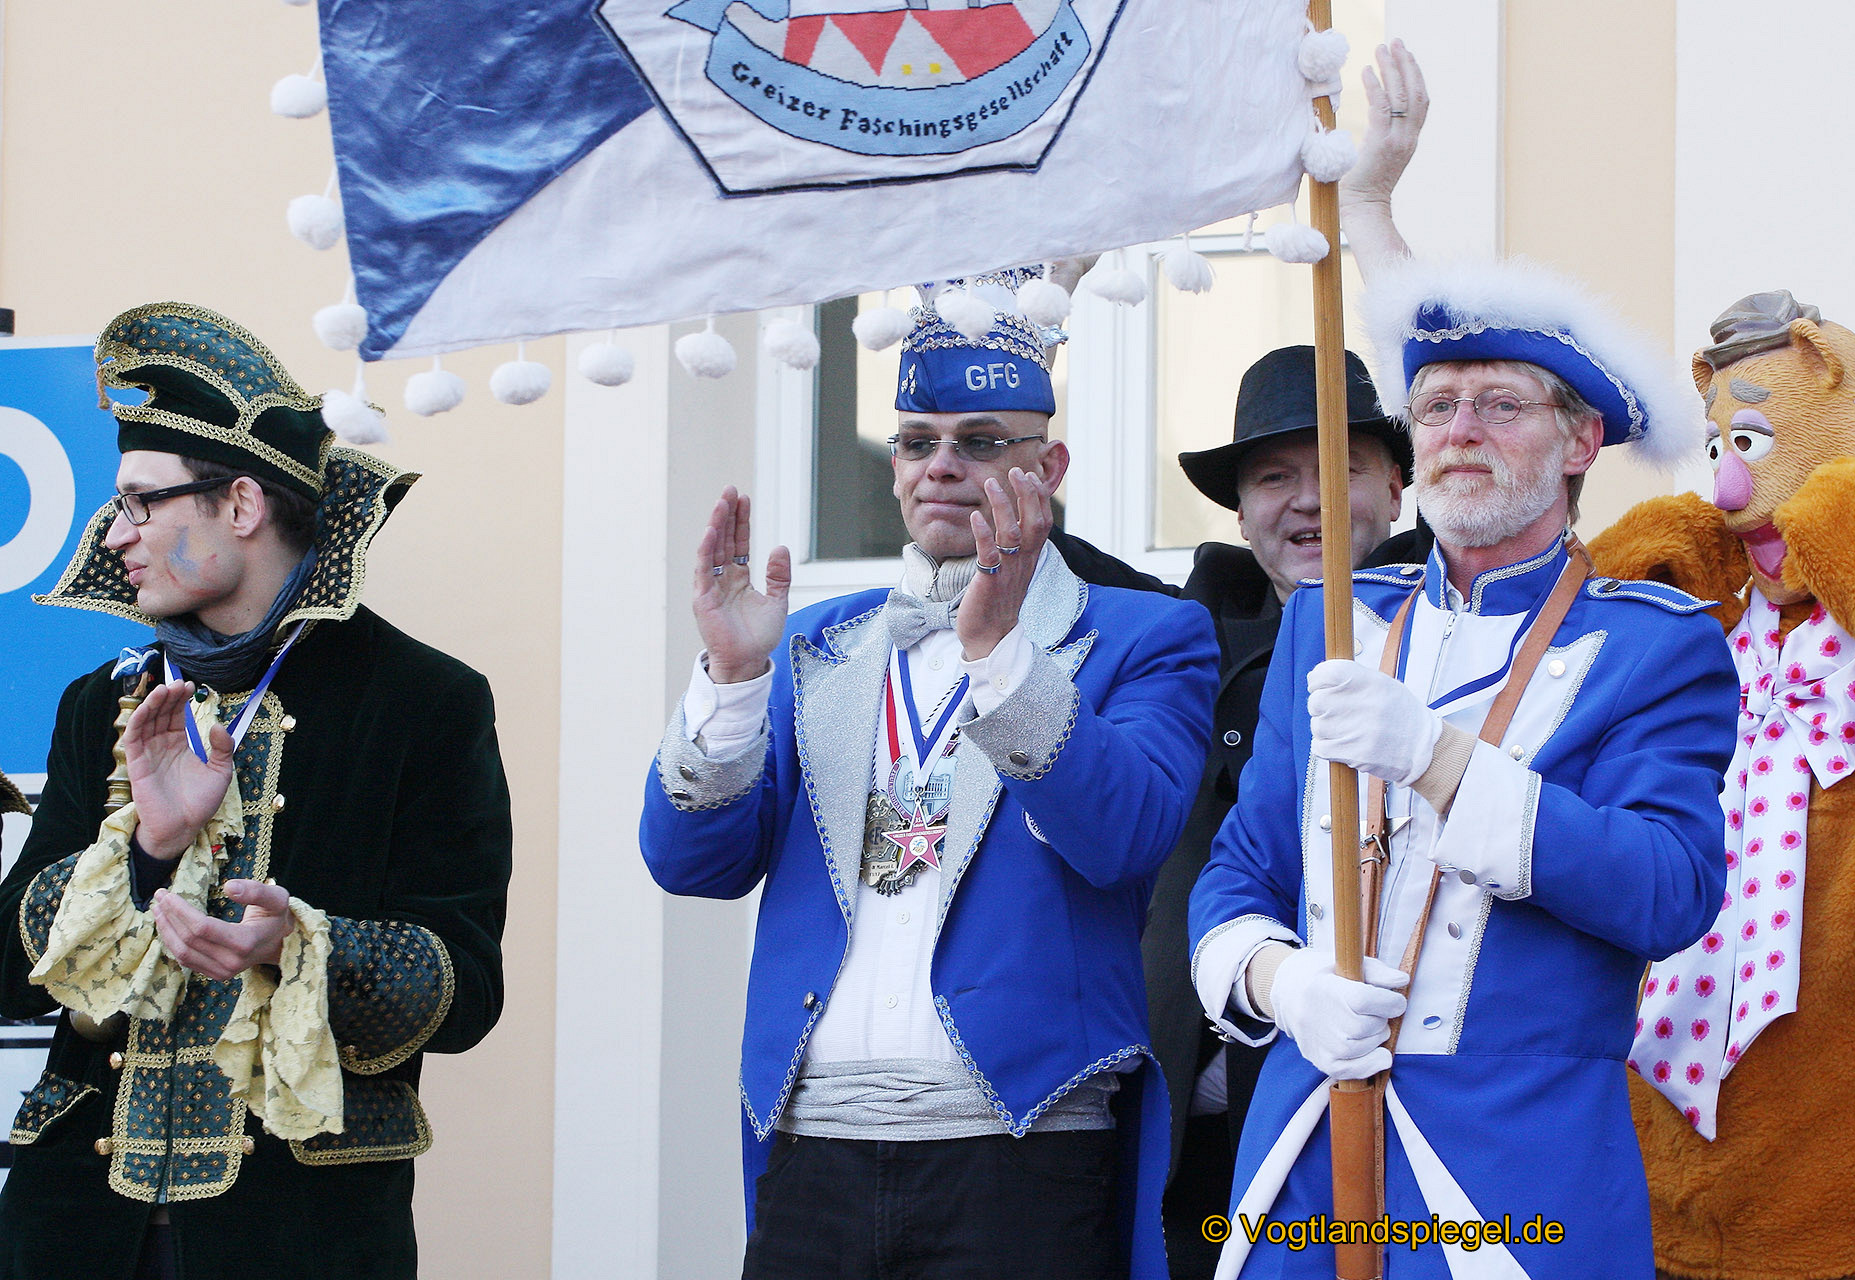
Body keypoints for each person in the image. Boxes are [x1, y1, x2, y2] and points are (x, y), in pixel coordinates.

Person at [639, 298, 1218, 1279]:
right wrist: (733, 680)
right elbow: (691, 860)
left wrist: (1002, 659)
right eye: (917, 440)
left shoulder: (1146, 634)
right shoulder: (816, 643)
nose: (941, 464)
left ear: (1052, 467)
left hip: (1023, 1154)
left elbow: (1123, 838)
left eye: (981, 440)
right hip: (811, 1145)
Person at [1188, 258, 1739, 1278]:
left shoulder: (1658, 645)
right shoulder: (1329, 619)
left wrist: (1437, 759)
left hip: (1522, 1177)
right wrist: (1281, 978)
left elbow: (1669, 888)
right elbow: (1239, 872)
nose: (1459, 431)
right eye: (1436, 405)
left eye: (1499, 402)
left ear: (1581, 441)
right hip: (1305, 1164)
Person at [0, 302, 512, 1280]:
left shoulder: (423, 701)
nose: (116, 534)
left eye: (144, 502)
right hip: (73, 1226)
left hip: (300, 1234)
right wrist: (144, 849)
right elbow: (7, 968)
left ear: (239, 505)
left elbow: (468, 988)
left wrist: (300, 948)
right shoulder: (97, 701)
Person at [1592, 293, 1855, 1280]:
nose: (1732, 485)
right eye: (1719, 446)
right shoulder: (1705, 627)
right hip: (1652, 1200)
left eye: (1760, 440)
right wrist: (1626, 587)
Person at [1143, 344, 1422, 1277]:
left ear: (1396, 484)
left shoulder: (1461, 635)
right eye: (1274, 477)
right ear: (1240, 507)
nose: (1307, 500)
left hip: (1367, 1109)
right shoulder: (1178, 632)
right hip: (1184, 1128)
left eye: (1339, 468)